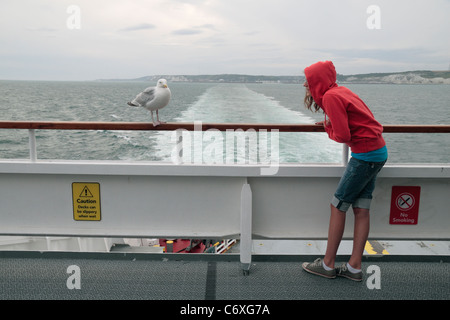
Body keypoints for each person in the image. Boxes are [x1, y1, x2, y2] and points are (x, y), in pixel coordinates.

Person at [301, 61, 388, 281]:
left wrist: (328, 128)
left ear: (317, 82)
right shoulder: (342, 91)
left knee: (338, 206)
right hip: (378, 151)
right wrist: (331, 125)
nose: (306, 85)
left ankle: (328, 264)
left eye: (309, 82)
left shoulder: (330, 97)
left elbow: (343, 135)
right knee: (362, 209)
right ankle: (354, 268)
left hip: (365, 156)